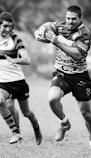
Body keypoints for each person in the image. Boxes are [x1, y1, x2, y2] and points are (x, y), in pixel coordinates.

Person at [34, 5, 91, 154]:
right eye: (68, 18)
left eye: (73, 19)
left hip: (80, 77)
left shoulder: (84, 33)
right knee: (52, 99)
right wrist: (41, 33)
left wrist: (57, 42)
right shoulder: (60, 26)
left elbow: (77, 54)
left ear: (80, 19)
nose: (70, 22)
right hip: (61, 73)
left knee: (86, 114)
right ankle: (64, 124)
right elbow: (46, 27)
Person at [0, 11, 42, 145]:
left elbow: (27, 59)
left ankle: (36, 127)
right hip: (3, 83)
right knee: (3, 102)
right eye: (5, 26)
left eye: (10, 27)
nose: (7, 29)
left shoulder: (15, 39)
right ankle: (16, 132)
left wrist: (14, 60)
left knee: (26, 112)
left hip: (18, 81)